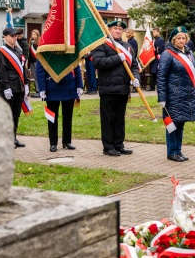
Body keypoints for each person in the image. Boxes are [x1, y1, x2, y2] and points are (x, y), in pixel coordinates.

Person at [91, 20, 140, 156]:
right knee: (108, 119)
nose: (118, 31)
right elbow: (98, 62)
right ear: (109, 30)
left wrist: (136, 78)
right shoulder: (102, 44)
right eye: (115, 28)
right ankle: (108, 147)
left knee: (120, 118)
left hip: (123, 89)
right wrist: (117, 58)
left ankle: (119, 144)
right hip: (108, 88)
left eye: (120, 29)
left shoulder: (128, 46)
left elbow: (134, 65)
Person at [157, 26, 195, 162]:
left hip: (187, 95)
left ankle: (178, 151)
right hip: (173, 96)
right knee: (172, 124)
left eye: (184, 38)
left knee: (181, 123)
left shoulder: (189, 53)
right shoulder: (167, 54)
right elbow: (161, 77)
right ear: (173, 40)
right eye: (179, 38)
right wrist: (162, 97)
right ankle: (171, 152)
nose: (182, 41)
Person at [36, 61, 84, 152]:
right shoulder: (46, 47)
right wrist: (42, 88)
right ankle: (53, 143)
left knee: (68, 116)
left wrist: (79, 84)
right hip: (52, 86)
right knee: (52, 118)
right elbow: (40, 69)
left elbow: (75, 65)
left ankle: (67, 141)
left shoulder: (69, 47)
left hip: (69, 85)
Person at [0, 26, 28, 148]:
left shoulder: (18, 51)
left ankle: (13, 138)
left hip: (19, 87)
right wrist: (5, 87)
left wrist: (25, 84)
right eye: (12, 36)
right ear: (5, 37)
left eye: (15, 36)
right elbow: (1, 71)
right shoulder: (2, 52)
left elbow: (23, 69)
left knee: (15, 114)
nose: (15, 38)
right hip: (8, 88)